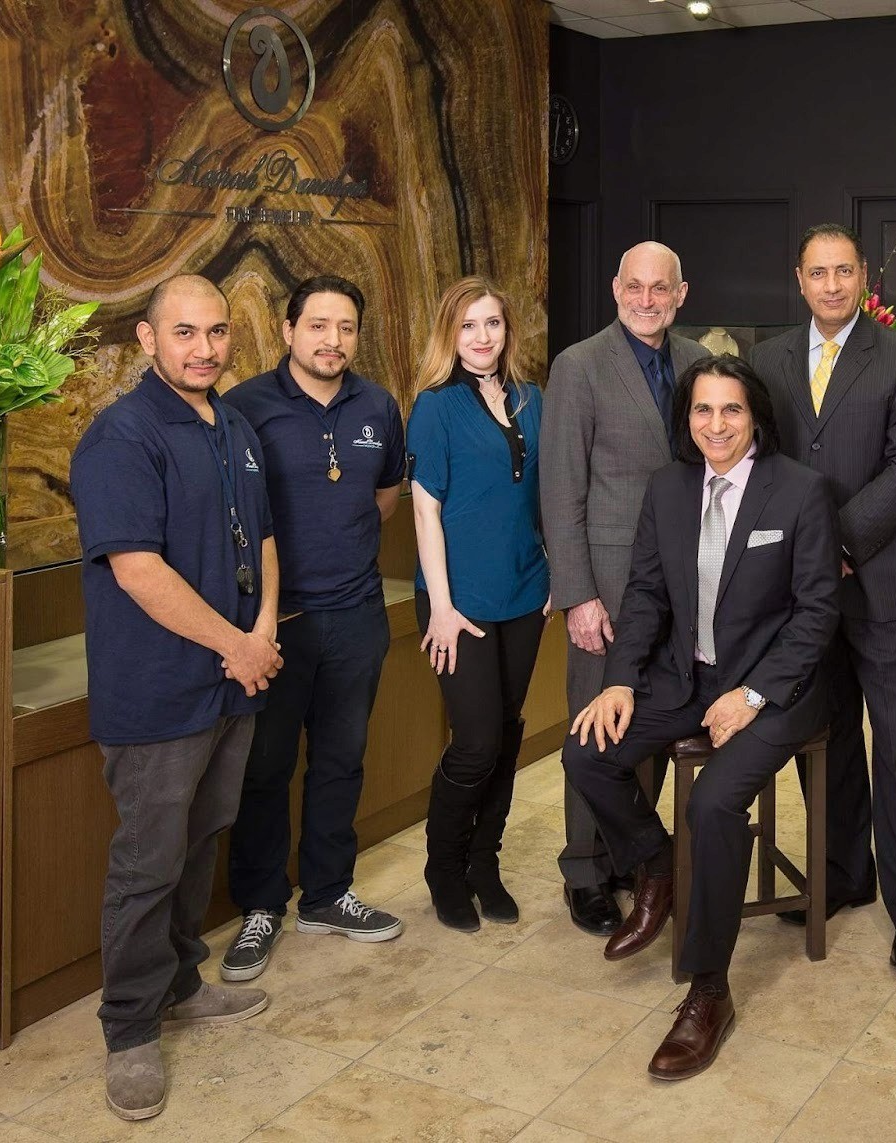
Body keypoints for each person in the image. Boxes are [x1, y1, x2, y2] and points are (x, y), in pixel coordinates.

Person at [563, 355, 838, 1080]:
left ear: (756, 418)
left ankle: (708, 991)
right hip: (686, 676)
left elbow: (817, 613)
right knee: (587, 750)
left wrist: (752, 696)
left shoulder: (800, 491)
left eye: (731, 410)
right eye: (702, 410)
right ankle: (658, 866)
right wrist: (620, 682)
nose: (716, 425)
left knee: (713, 803)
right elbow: (647, 595)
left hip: (776, 688)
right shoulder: (669, 488)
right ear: (686, 419)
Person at [70, 274, 282, 1120]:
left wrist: (261, 630)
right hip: (159, 693)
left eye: (217, 331)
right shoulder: (120, 436)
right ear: (148, 339)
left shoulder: (233, 426)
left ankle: (182, 984)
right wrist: (238, 645)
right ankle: (129, 1029)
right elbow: (137, 570)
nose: (204, 348)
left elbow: (264, 537)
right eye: (185, 333)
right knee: (148, 861)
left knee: (200, 843)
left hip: (233, 683)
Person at [750, 223, 896, 973]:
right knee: (823, 740)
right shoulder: (767, 360)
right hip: (803, 596)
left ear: (863, 276)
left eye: (843, 272)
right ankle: (842, 874)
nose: (831, 285)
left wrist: (833, 543)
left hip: (883, 584)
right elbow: (760, 460)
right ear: (798, 279)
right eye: (817, 273)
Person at [218, 276, 408, 982]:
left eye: (346, 327)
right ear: (288, 330)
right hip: (275, 624)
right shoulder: (244, 408)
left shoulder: (379, 406)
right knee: (265, 767)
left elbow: (384, 495)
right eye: (319, 325)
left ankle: (327, 894)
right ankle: (260, 904)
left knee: (341, 759)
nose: (333, 340)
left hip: (356, 617)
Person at [542, 242, 709, 935]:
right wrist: (577, 594)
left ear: (680, 294)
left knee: (651, 723)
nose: (647, 299)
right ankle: (586, 869)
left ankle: (634, 859)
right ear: (616, 289)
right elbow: (561, 489)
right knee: (595, 723)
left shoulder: (699, 361)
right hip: (607, 587)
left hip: (686, 581)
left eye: (659, 288)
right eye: (635, 287)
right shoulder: (579, 366)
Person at [408, 276, 550, 932]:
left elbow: (548, 491)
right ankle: (444, 868)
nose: (482, 336)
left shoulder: (531, 399)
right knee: (476, 742)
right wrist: (440, 605)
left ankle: (484, 865)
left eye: (492, 322)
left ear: (507, 329)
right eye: (468, 325)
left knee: (508, 733)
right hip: (458, 602)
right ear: (450, 333)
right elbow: (425, 510)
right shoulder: (435, 406)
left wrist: (556, 570)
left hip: (524, 592)